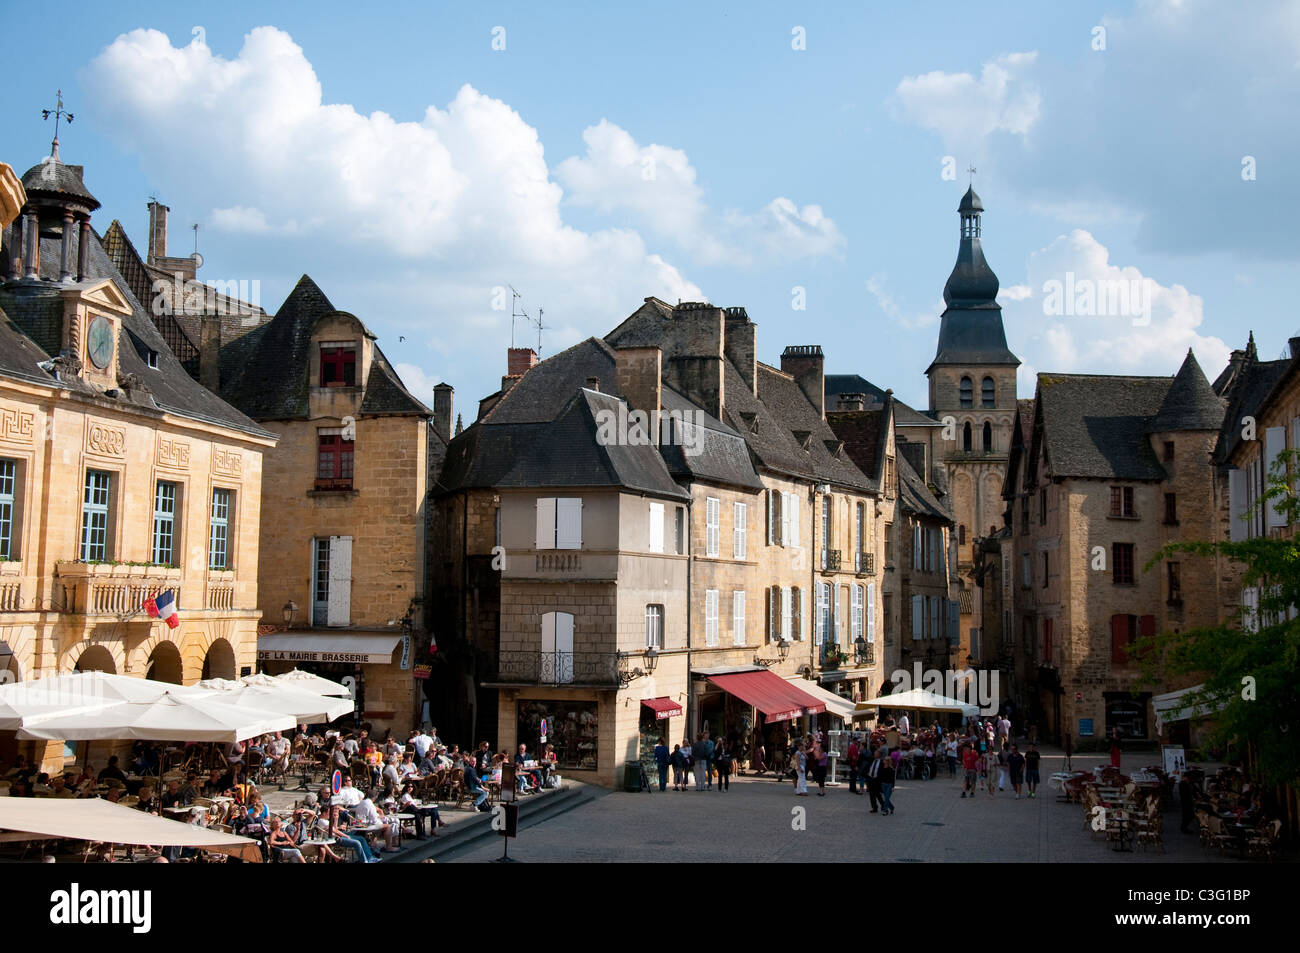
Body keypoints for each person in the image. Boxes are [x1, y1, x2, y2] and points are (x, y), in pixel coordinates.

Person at [865, 746, 885, 813]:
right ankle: (874, 807)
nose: (874, 754)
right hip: (870, 778)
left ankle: (883, 805)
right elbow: (868, 767)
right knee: (871, 794)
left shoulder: (882, 762)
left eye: (876, 753)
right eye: (874, 753)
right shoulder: (871, 760)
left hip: (877, 779)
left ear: (879, 755)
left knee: (877, 793)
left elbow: (883, 772)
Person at [878, 748, 896, 815]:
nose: (883, 760)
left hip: (889, 785)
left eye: (885, 760)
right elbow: (880, 776)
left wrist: (893, 786)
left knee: (886, 797)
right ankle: (891, 807)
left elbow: (893, 779)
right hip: (883, 784)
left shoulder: (891, 769)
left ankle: (886, 810)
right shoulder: (882, 768)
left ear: (888, 761)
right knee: (886, 798)